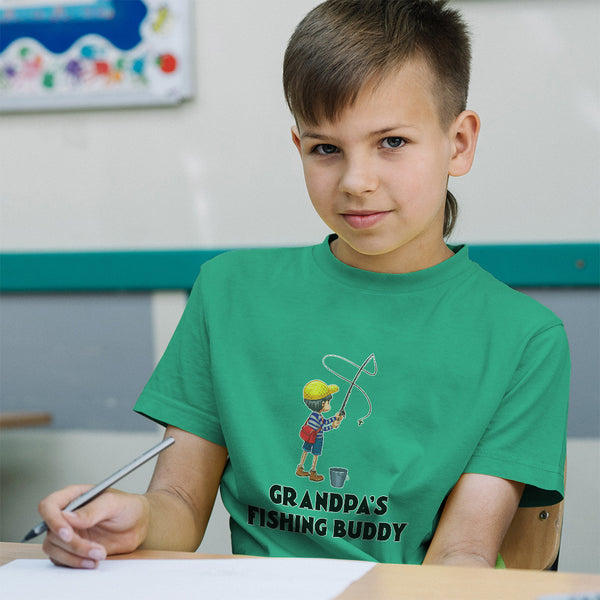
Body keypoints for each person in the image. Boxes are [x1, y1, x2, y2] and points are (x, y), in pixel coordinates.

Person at [38, 0, 569, 570]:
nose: (355, 181)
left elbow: (462, 552)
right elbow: (180, 505)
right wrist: (135, 519)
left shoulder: (525, 338)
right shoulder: (228, 293)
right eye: (326, 148)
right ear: (300, 148)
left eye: (391, 142)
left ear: (458, 143)